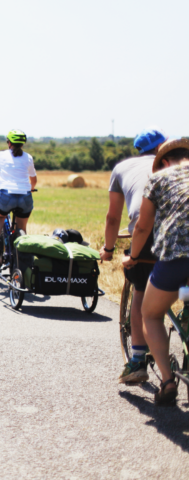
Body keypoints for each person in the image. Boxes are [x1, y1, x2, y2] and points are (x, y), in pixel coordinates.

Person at [123, 138, 189, 405]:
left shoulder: (160, 178)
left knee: (150, 314)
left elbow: (141, 227)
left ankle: (167, 381)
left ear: (163, 161)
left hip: (177, 256)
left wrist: (133, 256)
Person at [100, 127, 167, 383]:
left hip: (146, 233)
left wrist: (107, 249)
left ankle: (137, 360)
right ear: (163, 147)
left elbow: (113, 216)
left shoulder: (122, 168)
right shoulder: (177, 163)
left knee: (140, 288)